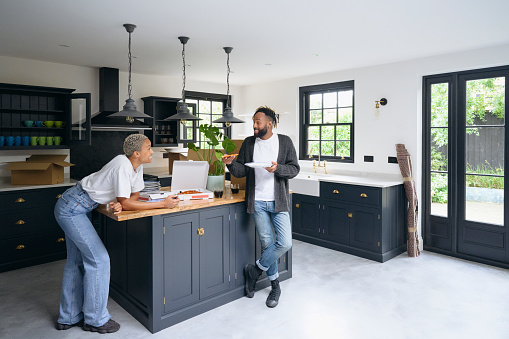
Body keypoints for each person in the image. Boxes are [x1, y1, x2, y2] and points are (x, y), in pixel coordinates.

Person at [54, 134, 179, 333]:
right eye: (148, 147)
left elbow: (133, 195)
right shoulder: (122, 164)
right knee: (99, 259)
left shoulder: (137, 166)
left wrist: (122, 203)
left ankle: (67, 317)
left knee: (76, 261)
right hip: (71, 207)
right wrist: (162, 204)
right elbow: (128, 201)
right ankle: (96, 320)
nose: (152, 151)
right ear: (137, 153)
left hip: (81, 206)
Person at [223, 106, 300, 308]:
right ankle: (275, 287)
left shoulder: (284, 142)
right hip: (257, 202)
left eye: (258, 122)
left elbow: (294, 169)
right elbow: (241, 171)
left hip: (278, 201)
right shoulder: (249, 143)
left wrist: (278, 168)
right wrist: (231, 163)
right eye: (254, 122)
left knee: (284, 243)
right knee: (267, 245)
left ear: (269, 123)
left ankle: (255, 270)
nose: (255, 125)